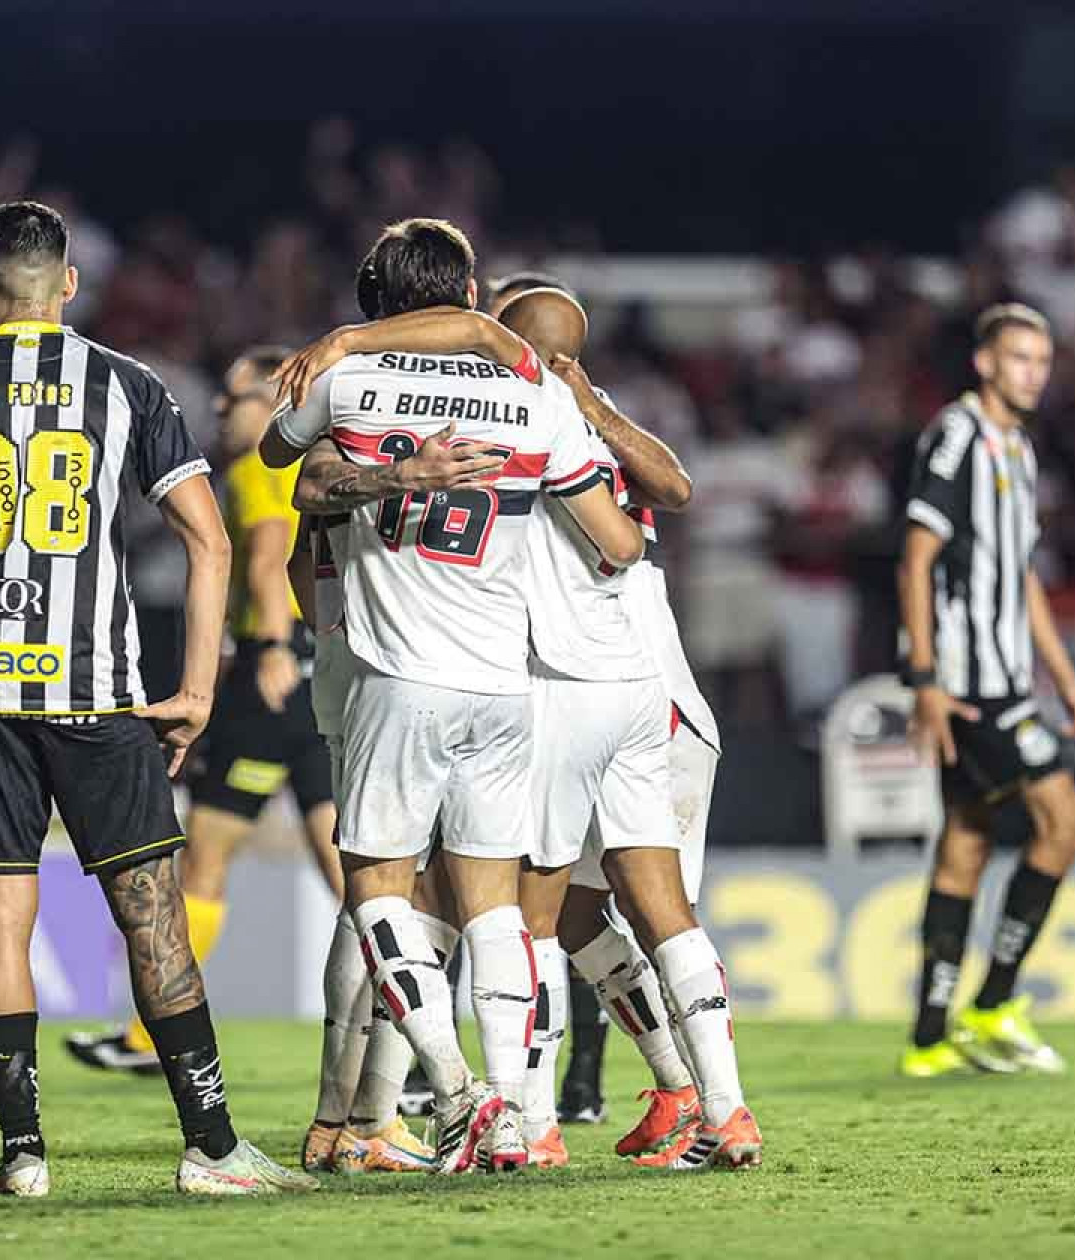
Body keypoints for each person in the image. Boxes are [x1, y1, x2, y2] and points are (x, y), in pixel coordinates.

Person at [0, 201, 312, 1198]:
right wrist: (198, 688)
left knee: (2, 921)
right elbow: (212, 542)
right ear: (68, 285)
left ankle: (23, 1153)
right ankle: (210, 1148)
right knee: (151, 915)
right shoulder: (125, 386)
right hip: (96, 689)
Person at [276, 284, 760, 1170]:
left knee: (479, 912)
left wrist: (347, 342)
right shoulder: (578, 412)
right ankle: (710, 1103)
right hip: (651, 689)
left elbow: (306, 518)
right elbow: (656, 507)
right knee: (633, 910)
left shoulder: (505, 409)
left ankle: (513, 1121)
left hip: (547, 683)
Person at [259, 218, 643, 1173]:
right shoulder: (533, 393)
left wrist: (377, 432)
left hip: (385, 670)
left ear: (368, 299)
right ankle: (506, 1110)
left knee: (376, 891)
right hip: (504, 681)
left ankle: (421, 1102)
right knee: (492, 907)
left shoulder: (339, 377)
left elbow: (286, 468)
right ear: (471, 293)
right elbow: (618, 537)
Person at [67, 347, 343, 1074]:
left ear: (279, 400)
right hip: (319, 672)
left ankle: (148, 1036)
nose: (221, 413)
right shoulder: (321, 462)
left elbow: (266, 557)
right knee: (349, 868)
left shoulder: (262, 468)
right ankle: (402, 1039)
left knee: (206, 861)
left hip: (272, 679)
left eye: (236, 399)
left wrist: (272, 645)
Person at [897, 302, 1075, 1078]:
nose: (1033, 374)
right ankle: (995, 1003)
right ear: (985, 362)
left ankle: (927, 1038)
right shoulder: (957, 437)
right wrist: (924, 678)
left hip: (1010, 679)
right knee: (1066, 823)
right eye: (1019, 358)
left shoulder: (1019, 449)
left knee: (968, 842)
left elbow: (1021, 579)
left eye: (1042, 361)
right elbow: (916, 559)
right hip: (968, 684)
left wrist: (1067, 680)